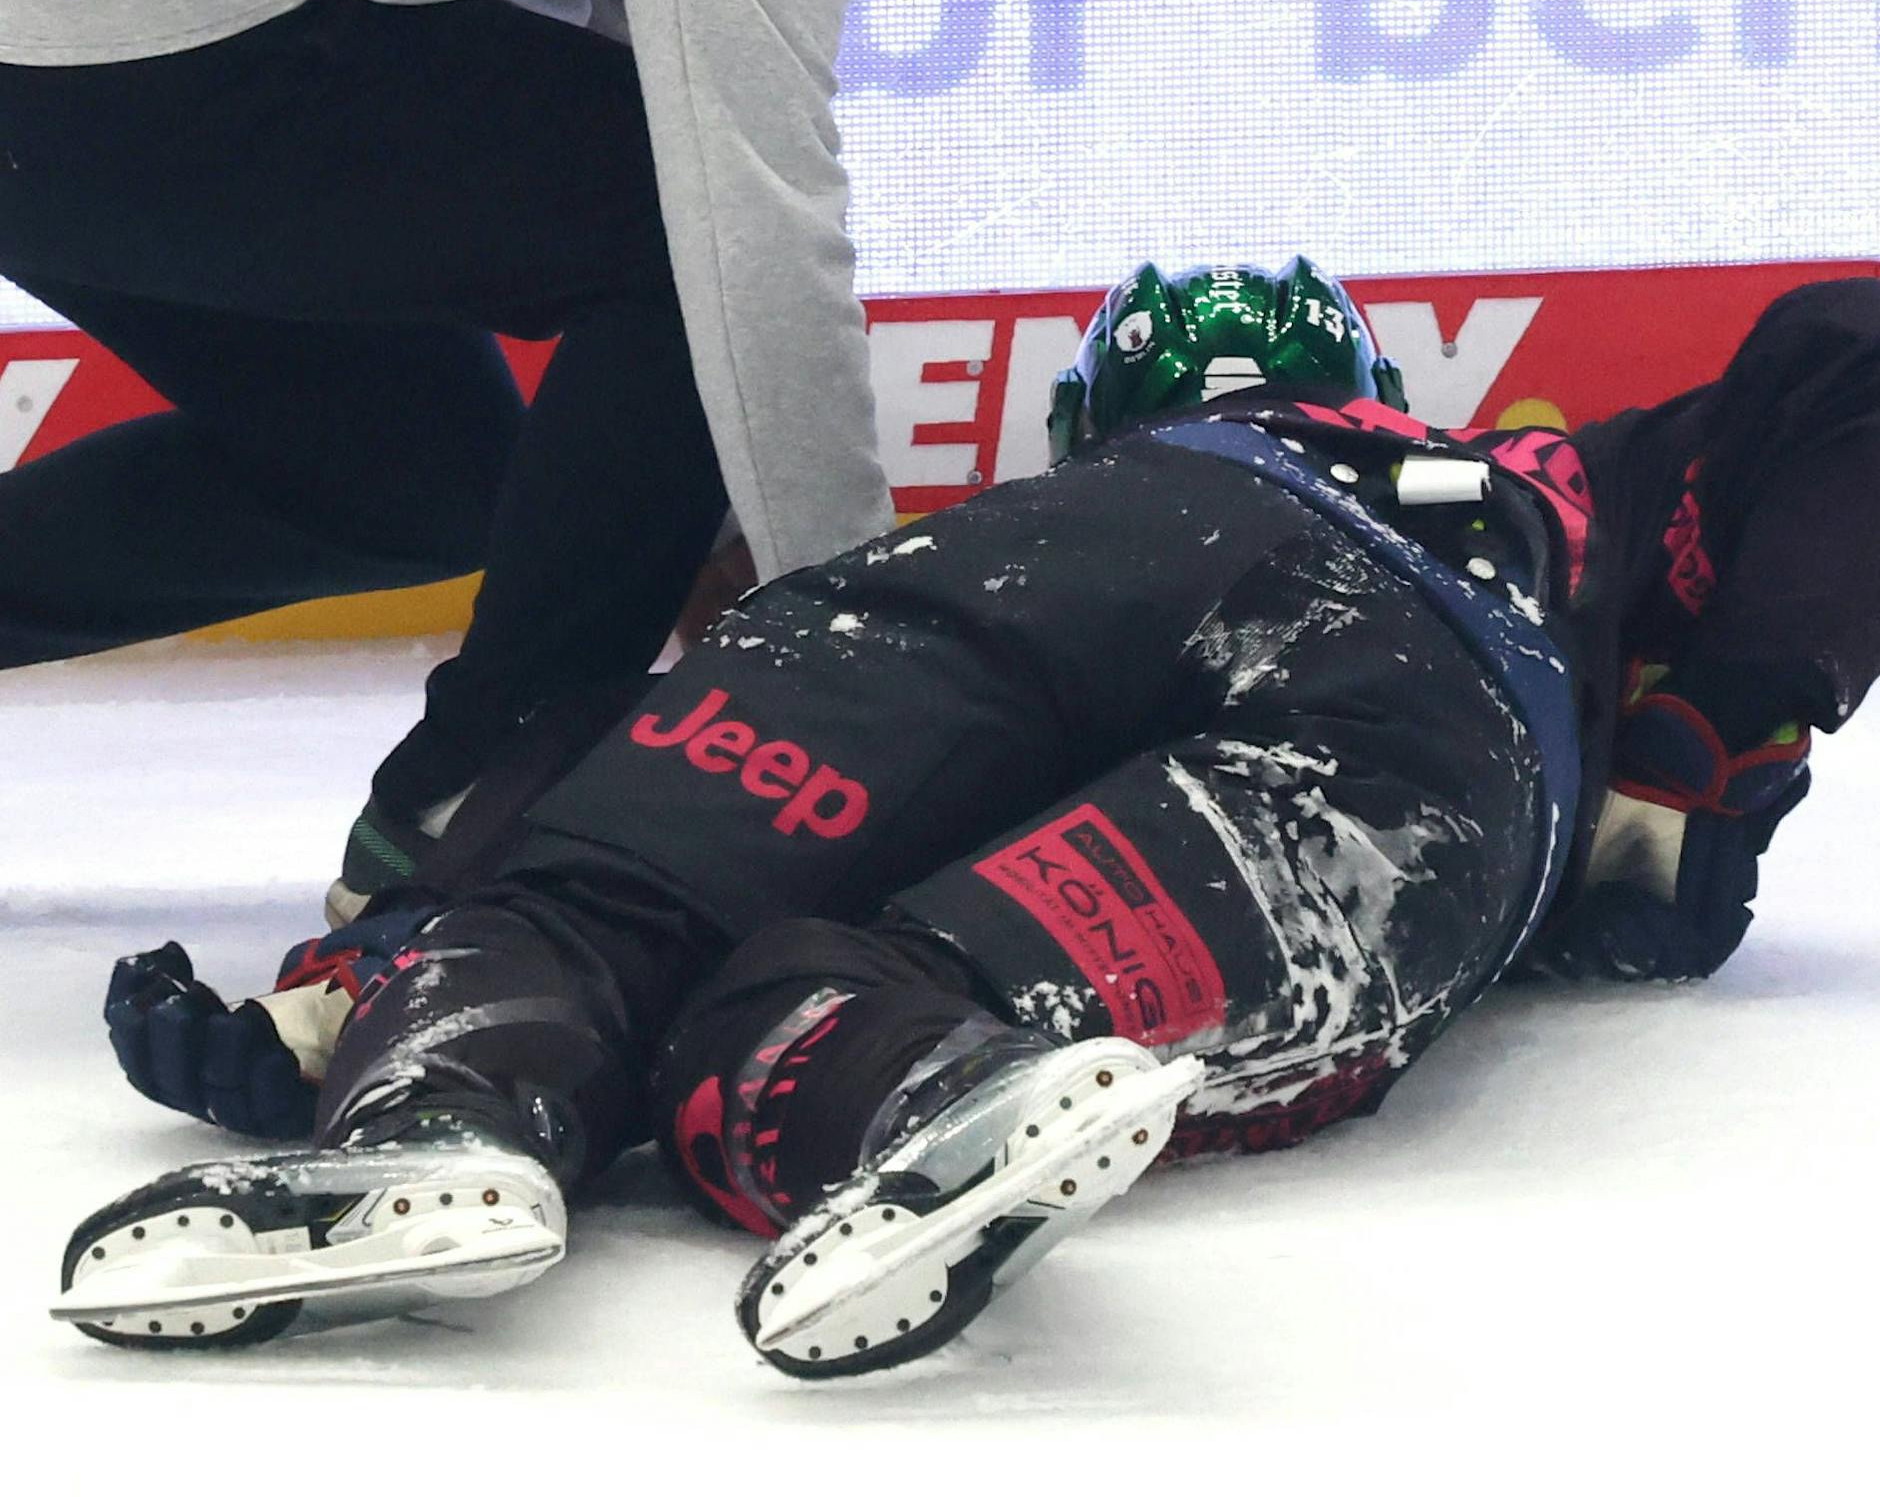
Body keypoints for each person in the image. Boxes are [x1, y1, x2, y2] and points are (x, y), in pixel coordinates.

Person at [54, 261, 1879, 1377]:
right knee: (904, 993)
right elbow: (1851, 351)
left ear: (1089, 415)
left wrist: (383, 959)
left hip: (1049, 574)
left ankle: (445, 1094)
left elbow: (623, 759)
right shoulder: (1548, 489)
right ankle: (926, 1088)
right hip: (1460, 684)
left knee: (606, 908)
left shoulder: (1072, 490)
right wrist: (1717, 726)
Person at [0, 0, 1231, 910]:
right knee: (675, 225)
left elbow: (606, 63)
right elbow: (747, 218)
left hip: (79, 33)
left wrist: (712, 527)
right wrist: (868, 681)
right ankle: (476, 806)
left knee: (413, 474)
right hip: (91, 30)